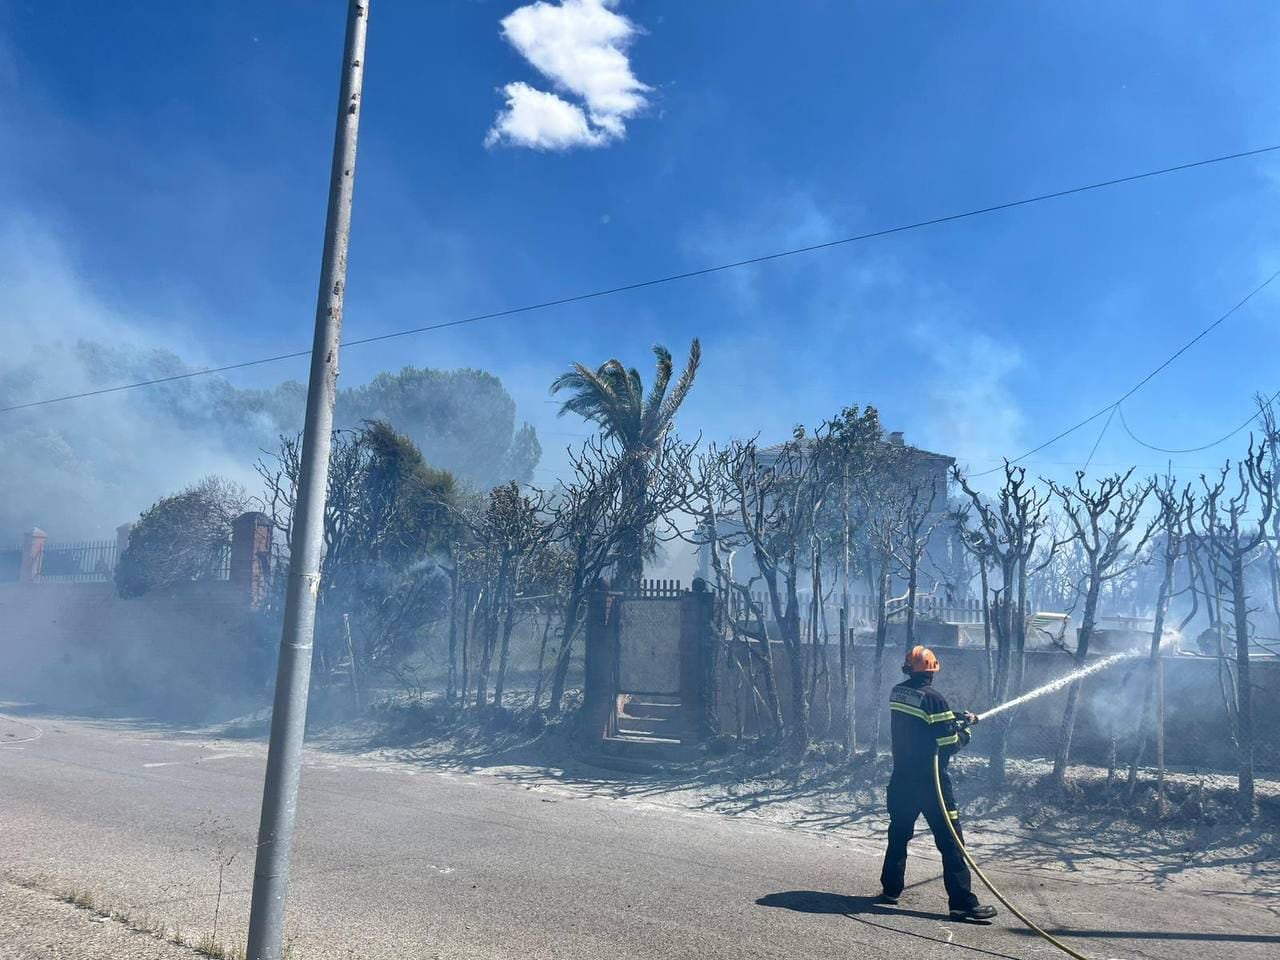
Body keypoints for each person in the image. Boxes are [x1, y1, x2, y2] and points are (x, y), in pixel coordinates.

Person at [877, 644, 997, 921]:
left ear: (908, 668)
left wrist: (952, 718)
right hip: (932, 785)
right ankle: (962, 903)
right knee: (951, 842)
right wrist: (965, 730)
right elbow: (947, 743)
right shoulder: (935, 700)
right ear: (933, 670)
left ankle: (891, 890)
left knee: (898, 835)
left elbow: (923, 721)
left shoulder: (898, 692)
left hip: (902, 780)